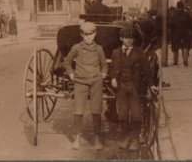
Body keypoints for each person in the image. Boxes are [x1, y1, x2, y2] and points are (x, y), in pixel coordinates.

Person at [63, 21, 108, 150]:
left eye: (91, 34)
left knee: (96, 111)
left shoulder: (99, 49)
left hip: (96, 82)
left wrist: (103, 74)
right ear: (81, 34)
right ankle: (77, 138)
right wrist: (72, 74)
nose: (89, 37)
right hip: (81, 82)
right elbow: (67, 62)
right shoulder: (76, 48)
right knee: (78, 111)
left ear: (95, 33)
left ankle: (97, 138)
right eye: (86, 34)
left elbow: (104, 64)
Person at [110, 23, 149, 151]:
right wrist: (113, 78)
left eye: (131, 38)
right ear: (121, 38)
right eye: (126, 37)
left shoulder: (140, 53)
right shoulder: (115, 52)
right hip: (121, 87)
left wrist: (152, 85)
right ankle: (126, 138)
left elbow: (147, 71)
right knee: (122, 114)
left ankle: (135, 139)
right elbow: (112, 68)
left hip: (135, 87)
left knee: (136, 114)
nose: (129, 40)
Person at [169, 1, 192, 66]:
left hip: (176, 33)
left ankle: (175, 61)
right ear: (183, 6)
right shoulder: (187, 14)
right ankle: (185, 61)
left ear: (177, 6)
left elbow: (171, 25)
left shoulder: (174, 14)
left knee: (175, 48)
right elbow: (191, 24)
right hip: (185, 33)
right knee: (185, 47)